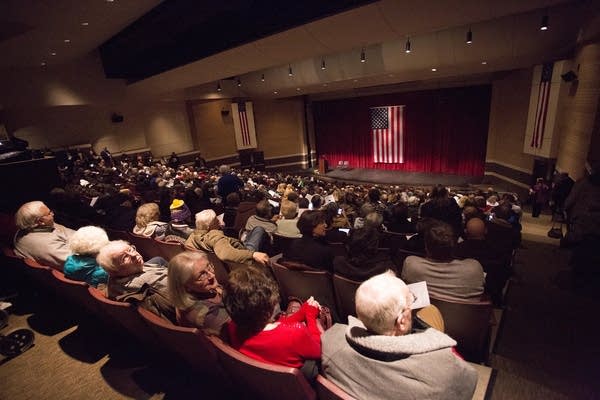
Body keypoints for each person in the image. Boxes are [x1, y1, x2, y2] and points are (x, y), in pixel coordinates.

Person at [321, 271, 478, 400]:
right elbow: (468, 383)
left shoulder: (330, 341)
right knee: (431, 311)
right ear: (402, 321)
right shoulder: (446, 367)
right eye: (411, 302)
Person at [224, 266, 322, 374]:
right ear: (268, 309)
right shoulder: (295, 333)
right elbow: (319, 350)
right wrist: (311, 317)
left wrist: (300, 314)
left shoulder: (232, 326)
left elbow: (271, 328)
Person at [402, 221, 484, 301]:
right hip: (465, 315)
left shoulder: (412, 264)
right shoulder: (474, 268)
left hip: (424, 314)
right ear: (455, 246)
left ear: (426, 247)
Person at [167, 251, 230, 335]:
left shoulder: (199, 291)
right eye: (201, 275)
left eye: (209, 266)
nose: (211, 275)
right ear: (186, 286)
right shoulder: (209, 315)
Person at [185, 209, 270, 266]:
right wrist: (253, 254)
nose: (218, 220)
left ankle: (246, 237)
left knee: (251, 233)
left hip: (236, 248)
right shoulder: (215, 236)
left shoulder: (192, 237)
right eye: (216, 220)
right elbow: (226, 254)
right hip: (244, 253)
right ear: (209, 226)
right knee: (259, 230)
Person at [96, 240, 168, 299]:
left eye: (130, 249)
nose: (134, 255)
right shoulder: (149, 282)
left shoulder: (114, 277)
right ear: (114, 271)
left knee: (158, 259)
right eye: (124, 258)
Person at [14, 200, 75, 268]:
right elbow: (78, 263)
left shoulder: (35, 227)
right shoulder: (47, 245)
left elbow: (66, 231)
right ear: (40, 221)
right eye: (49, 213)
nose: (53, 214)